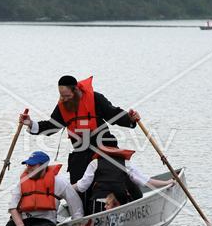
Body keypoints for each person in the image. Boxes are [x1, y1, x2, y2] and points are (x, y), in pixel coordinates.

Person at [20, 75, 140, 210]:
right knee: (79, 186)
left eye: (67, 96)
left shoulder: (95, 99)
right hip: (81, 154)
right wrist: (30, 124)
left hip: (104, 149)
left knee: (116, 178)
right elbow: (52, 126)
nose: (64, 99)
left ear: (76, 90)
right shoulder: (62, 106)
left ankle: (132, 202)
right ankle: (84, 216)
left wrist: (130, 119)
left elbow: (114, 114)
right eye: (61, 96)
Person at [0, 151, 84, 226]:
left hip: (45, 222)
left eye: (32, 165)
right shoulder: (23, 182)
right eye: (28, 165)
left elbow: (76, 206)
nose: (29, 168)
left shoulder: (59, 182)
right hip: (23, 221)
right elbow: (13, 207)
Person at [73, 137, 175, 214]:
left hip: (98, 206)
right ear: (117, 149)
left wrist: (69, 187)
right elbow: (145, 182)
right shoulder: (125, 163)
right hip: (118, 206)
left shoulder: (95, 163)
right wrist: (167, 182)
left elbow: (82, 187)